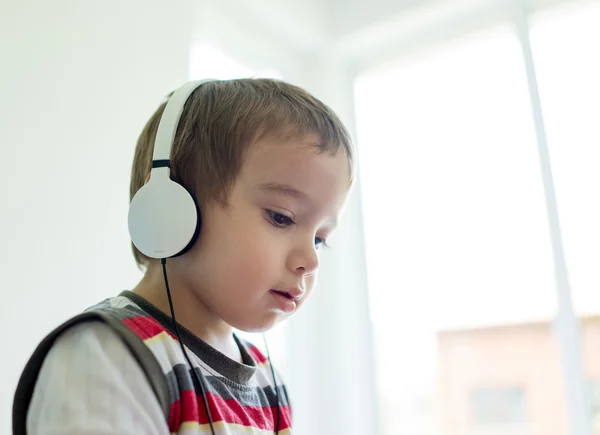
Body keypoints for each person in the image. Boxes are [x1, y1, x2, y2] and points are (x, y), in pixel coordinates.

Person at [14, 78, 354, 434]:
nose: (310, 261)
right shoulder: (106, 355)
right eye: (281, 217)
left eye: (320, 239)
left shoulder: (268, 386)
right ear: (171, 208)